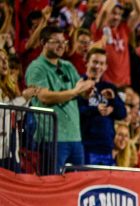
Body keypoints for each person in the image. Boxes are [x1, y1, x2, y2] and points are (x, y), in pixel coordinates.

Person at [26, 26, 95, 172]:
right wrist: (76, 91)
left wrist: (87, 91)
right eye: (56, 41)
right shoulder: (36, 68)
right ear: (44, 42)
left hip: (75, 136)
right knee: (52, 184)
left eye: (63, 42)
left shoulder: (68, 66)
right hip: (51, 138)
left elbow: (81, 92)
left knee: (77, 185)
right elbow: (44, 97)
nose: (62, 45)